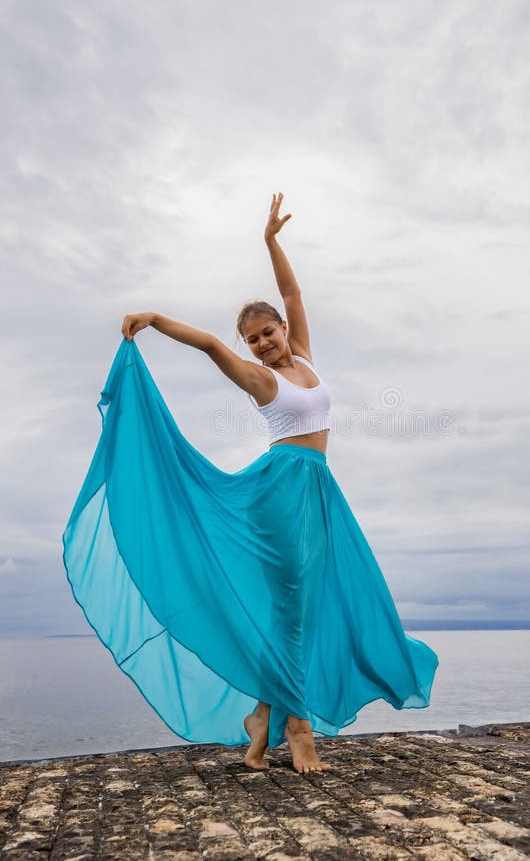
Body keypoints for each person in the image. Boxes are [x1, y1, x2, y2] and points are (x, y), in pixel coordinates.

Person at [63, 193, 438, 775]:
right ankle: (300, 728)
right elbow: (212, 344)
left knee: (301, 609)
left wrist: (270, 242)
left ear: (283, 330)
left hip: (319, 492)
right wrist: (157, 321)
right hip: (280, 493)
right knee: (292, 609)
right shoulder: (260, 380)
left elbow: (292, 294)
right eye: (254, 339)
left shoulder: (306, 358)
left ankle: (261, 719)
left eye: (269, 333)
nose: (263, 343)